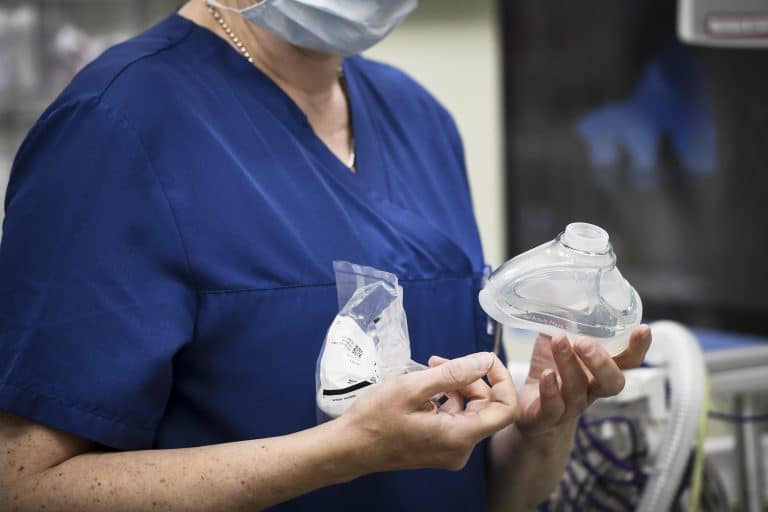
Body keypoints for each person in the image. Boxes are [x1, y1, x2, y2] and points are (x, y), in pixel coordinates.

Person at [0, 1, 652, 510]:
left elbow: (475, 491)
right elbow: (24, 488)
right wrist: (341, 453)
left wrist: (541, 428)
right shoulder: (114, 126)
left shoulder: (421, 119)